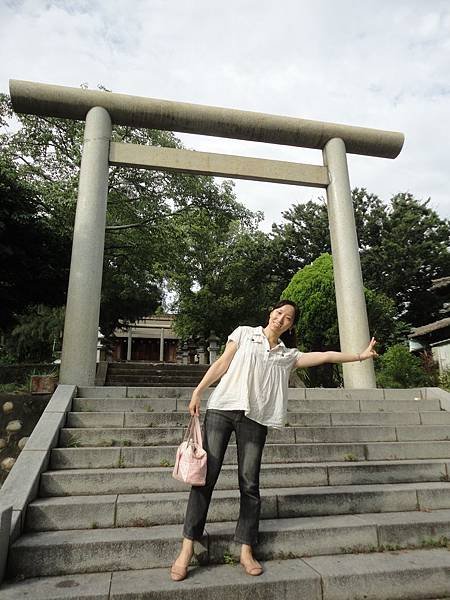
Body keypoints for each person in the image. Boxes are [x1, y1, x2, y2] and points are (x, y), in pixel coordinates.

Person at [170, 299, 378, 581]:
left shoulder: (287, 355)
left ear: (291, 326)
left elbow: (326, 355)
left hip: (256, 419)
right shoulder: (244, 333)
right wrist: (198, 391)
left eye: (288, 318)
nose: (281, 318)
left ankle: (245, 548)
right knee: (205, 478)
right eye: (279, 312)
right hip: (222, 409)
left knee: (250, 483)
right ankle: (186, 548)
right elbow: (222, 363)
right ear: (270, 312)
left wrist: (360, 356)